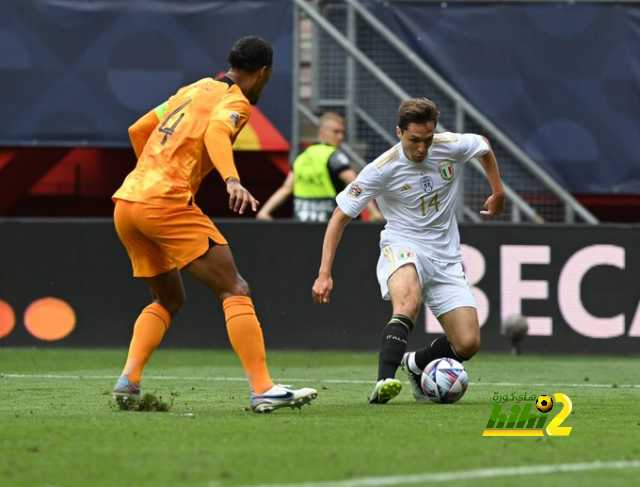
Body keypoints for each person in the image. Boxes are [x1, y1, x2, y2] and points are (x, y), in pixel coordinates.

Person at [111, 35, 317, 413]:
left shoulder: (193, 89)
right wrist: (231, 180)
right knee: (235, 288)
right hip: (164, 202)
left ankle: (129, 379)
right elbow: (217, 131)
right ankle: (263, 388)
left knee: (169, 298)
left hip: (128, 203)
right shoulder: (235, 99)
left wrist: (154, 170)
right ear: (263, 73)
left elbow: (138, 129)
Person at [311, 98, 505, 404]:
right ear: (399, 132)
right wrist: (324, 273)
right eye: (414, 140)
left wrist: (498, 191)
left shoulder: (448, 146)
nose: (422, 149)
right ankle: (383, 382)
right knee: (408, 303)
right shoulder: (381, 169)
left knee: (467, 343)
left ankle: (415, 364)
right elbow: (339, 216)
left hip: (445, 257)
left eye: (427, 140)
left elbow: (482, 145)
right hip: (402, 245)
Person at [256, 112, 382, 222]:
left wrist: (264, 211)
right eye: (336, 132)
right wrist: (374, 212)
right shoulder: (334, 156)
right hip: (331, 224)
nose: (341, 137)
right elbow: (357, 184)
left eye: (342, 132)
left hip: (303, 223)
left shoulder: (302, 156)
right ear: (322, 132)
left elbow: (286, 188)